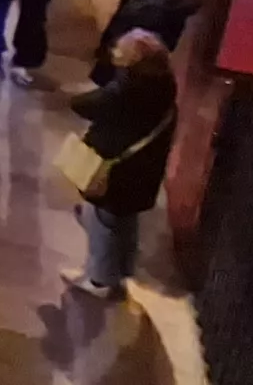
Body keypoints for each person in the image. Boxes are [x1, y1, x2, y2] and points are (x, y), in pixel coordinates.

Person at [69, 30, 176, 295]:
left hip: (117, 171)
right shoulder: (163, 82)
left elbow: (86, 104)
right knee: (125, 223)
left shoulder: (131, 87)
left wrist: (79, 96)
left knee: (102, 225)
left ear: (135, 58)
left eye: (121, 50)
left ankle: (99, 280)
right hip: (142, 170)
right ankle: (121, 272)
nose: (116, 51)